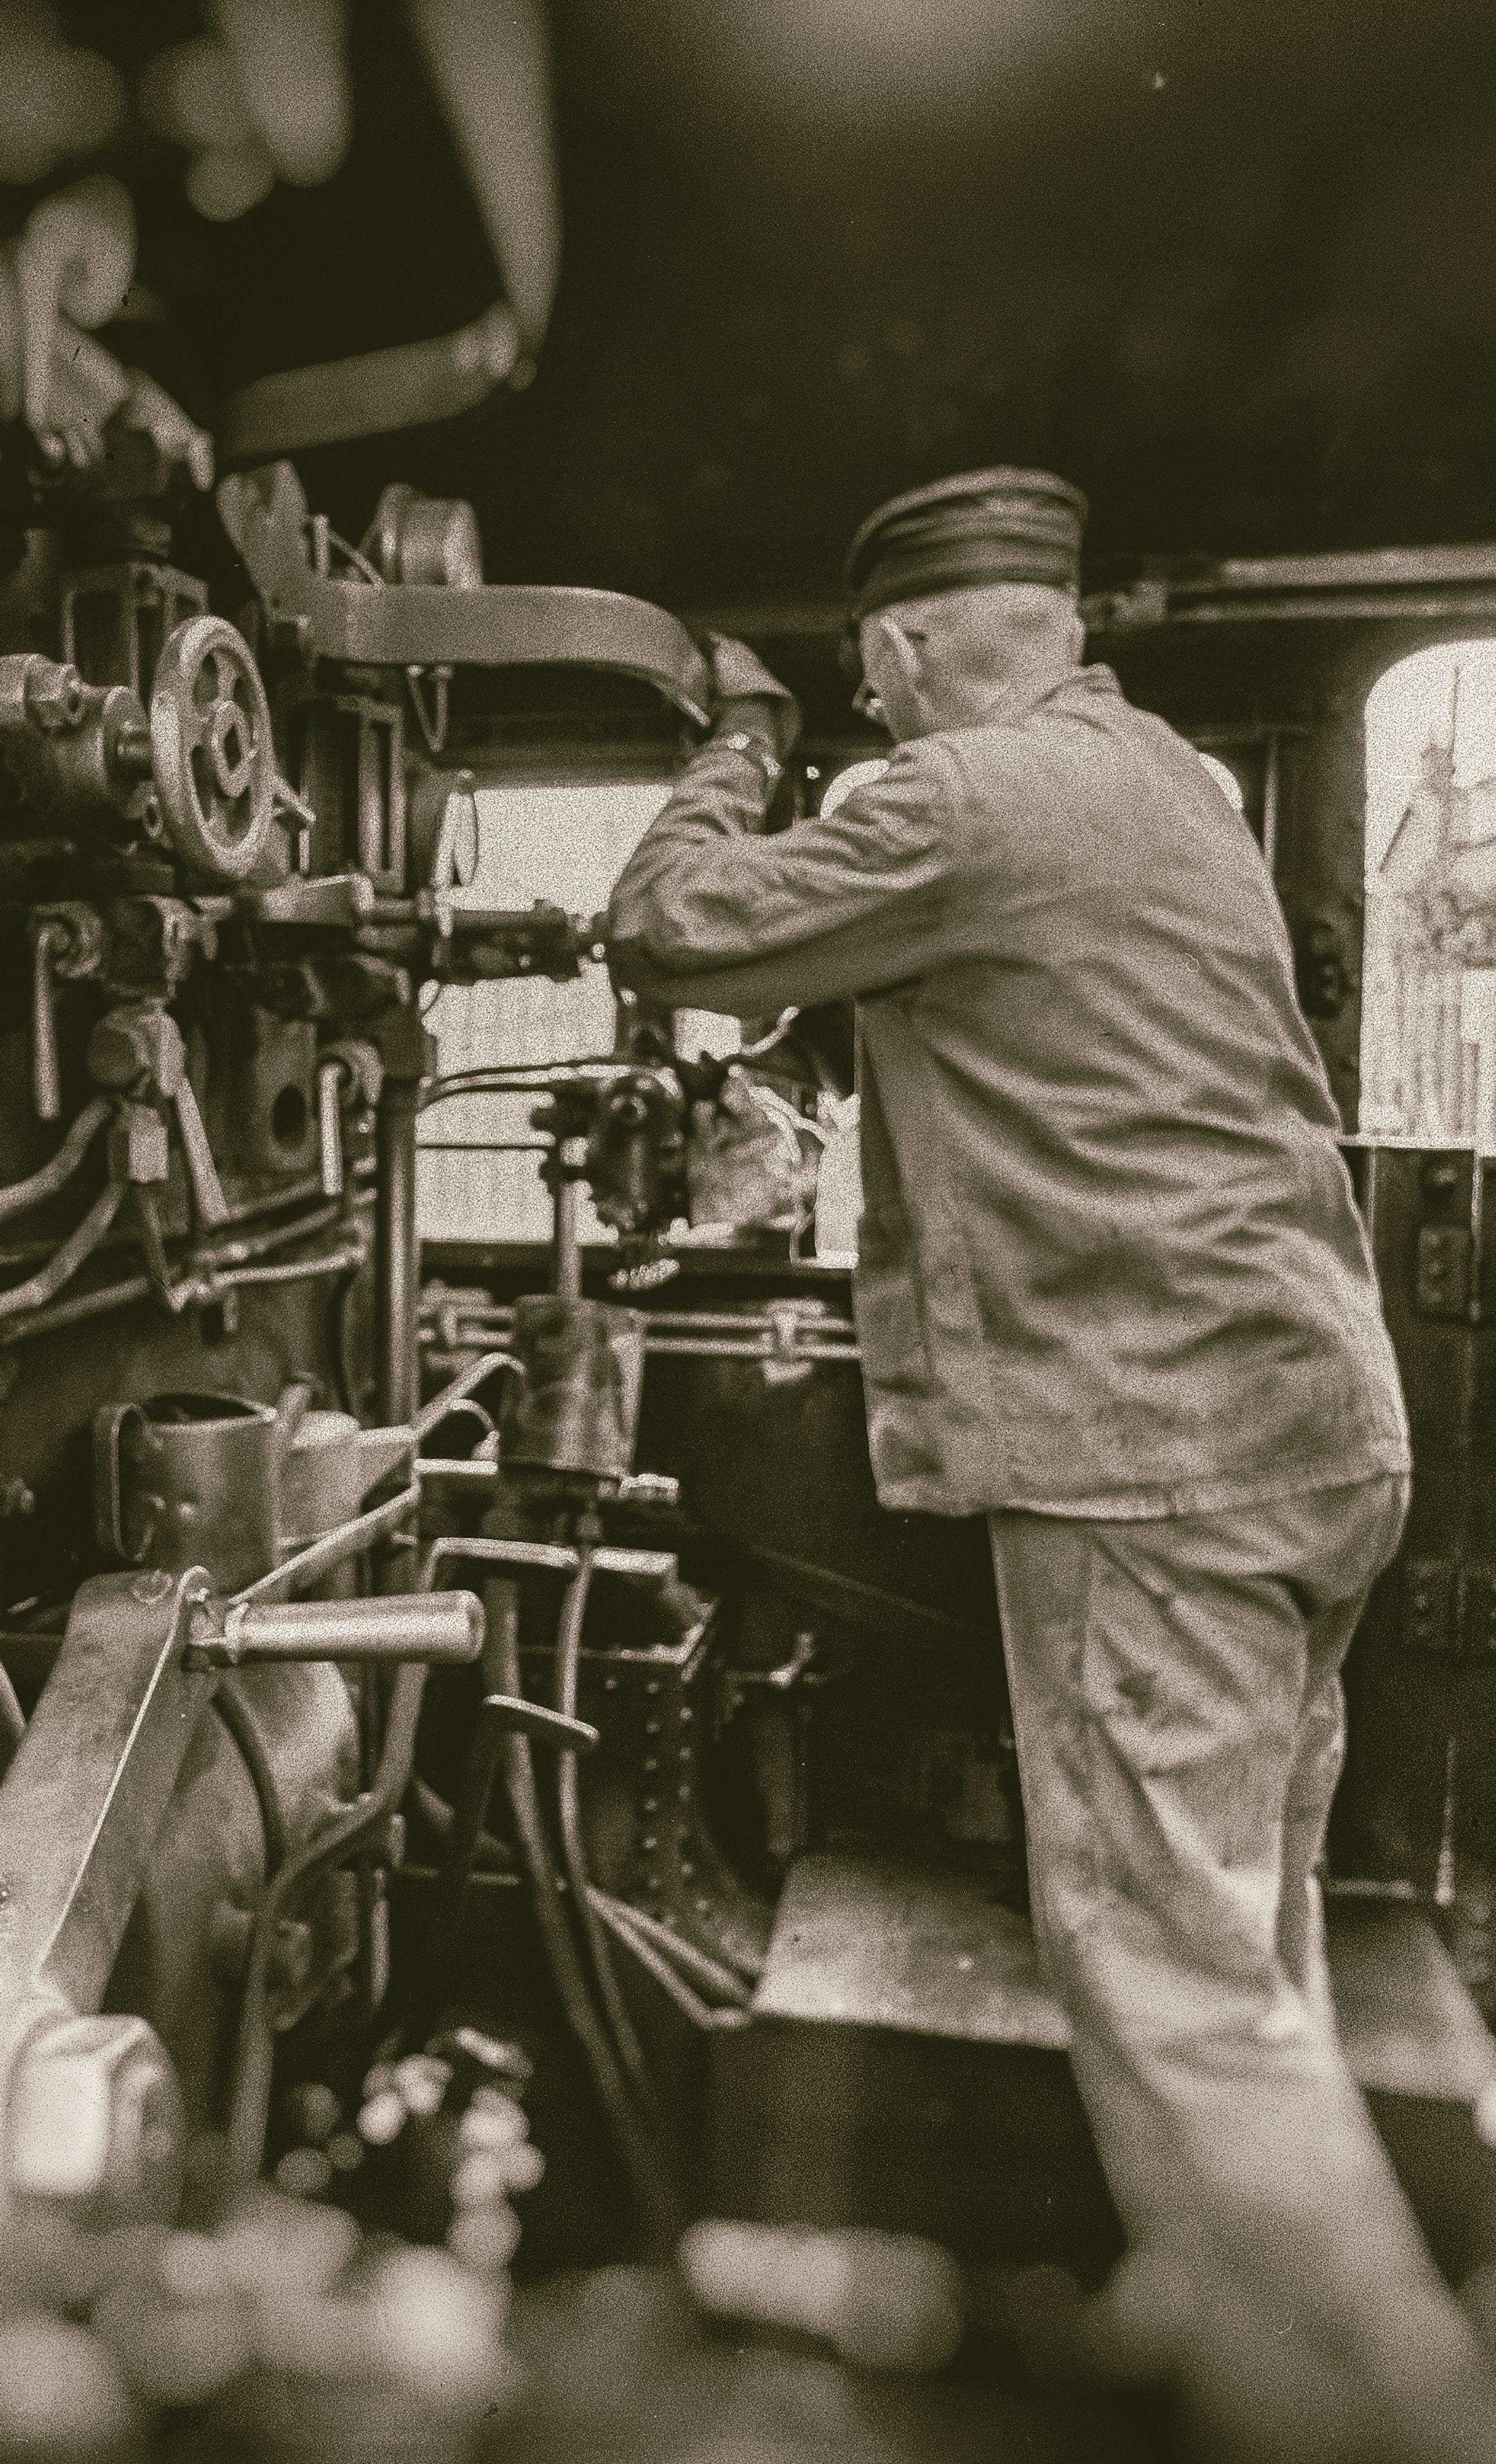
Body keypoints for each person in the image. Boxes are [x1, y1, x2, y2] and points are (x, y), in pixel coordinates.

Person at [605, 468, 1496, 2454]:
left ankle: (1390, 2421)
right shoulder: (1166, 782)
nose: (862, 701)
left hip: (1148, 1453)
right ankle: (1233, 2333)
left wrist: (741, 739)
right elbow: (1038, 1013)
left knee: (1172, 1994)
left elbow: (667, 929)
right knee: (1243, 1960)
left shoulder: (954, 794)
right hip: (1310, 1430)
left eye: (861, 675)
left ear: (904, 645)